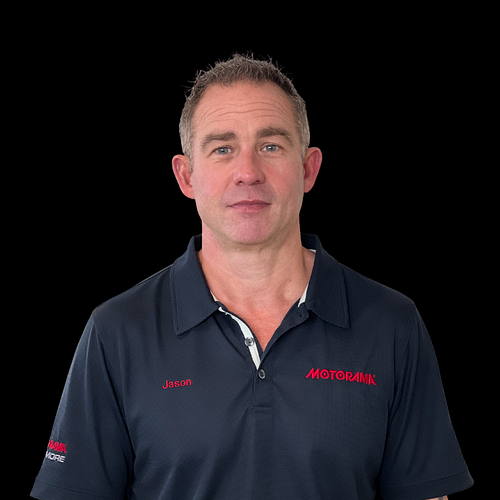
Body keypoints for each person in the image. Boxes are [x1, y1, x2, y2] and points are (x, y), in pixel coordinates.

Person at [31, 54, 473, 500]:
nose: (248, 173)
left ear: (308, 169)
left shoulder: (391, 323)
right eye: (222, 149)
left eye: (271, 146)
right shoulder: (117, 331)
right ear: (186, 176)